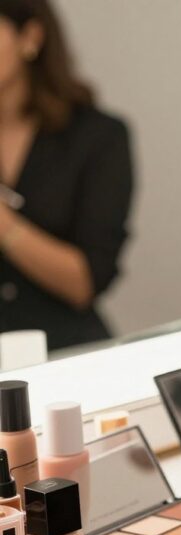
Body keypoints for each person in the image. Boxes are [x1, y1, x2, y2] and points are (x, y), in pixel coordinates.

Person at [0, 0, 133, 350]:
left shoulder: (98, 137)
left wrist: (4, 224)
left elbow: (85, 282)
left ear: (30, 36)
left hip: (65, 353)